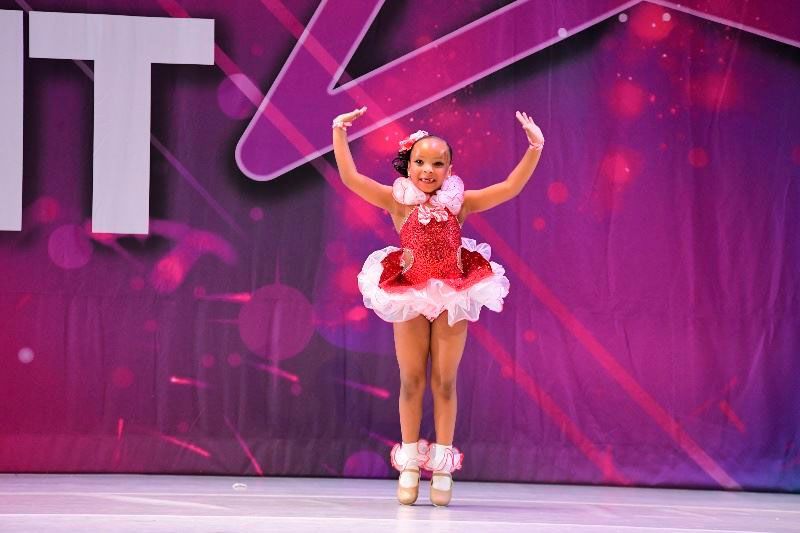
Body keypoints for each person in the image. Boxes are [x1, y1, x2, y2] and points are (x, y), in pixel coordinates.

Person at [332, 106, 544, 506]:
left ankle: (442, 467)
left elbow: (509, 187)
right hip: (410, 292)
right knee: (411, 380)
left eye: (437, 164)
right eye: (420, 162)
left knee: (444, 381)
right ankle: (411, 464)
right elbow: (350, 177)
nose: (427, 171)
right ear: (408, 164)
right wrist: (339, 133)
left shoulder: (458, 204)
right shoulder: (398, 202)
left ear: (449, 169)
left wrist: (535, 147)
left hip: (452, 294)